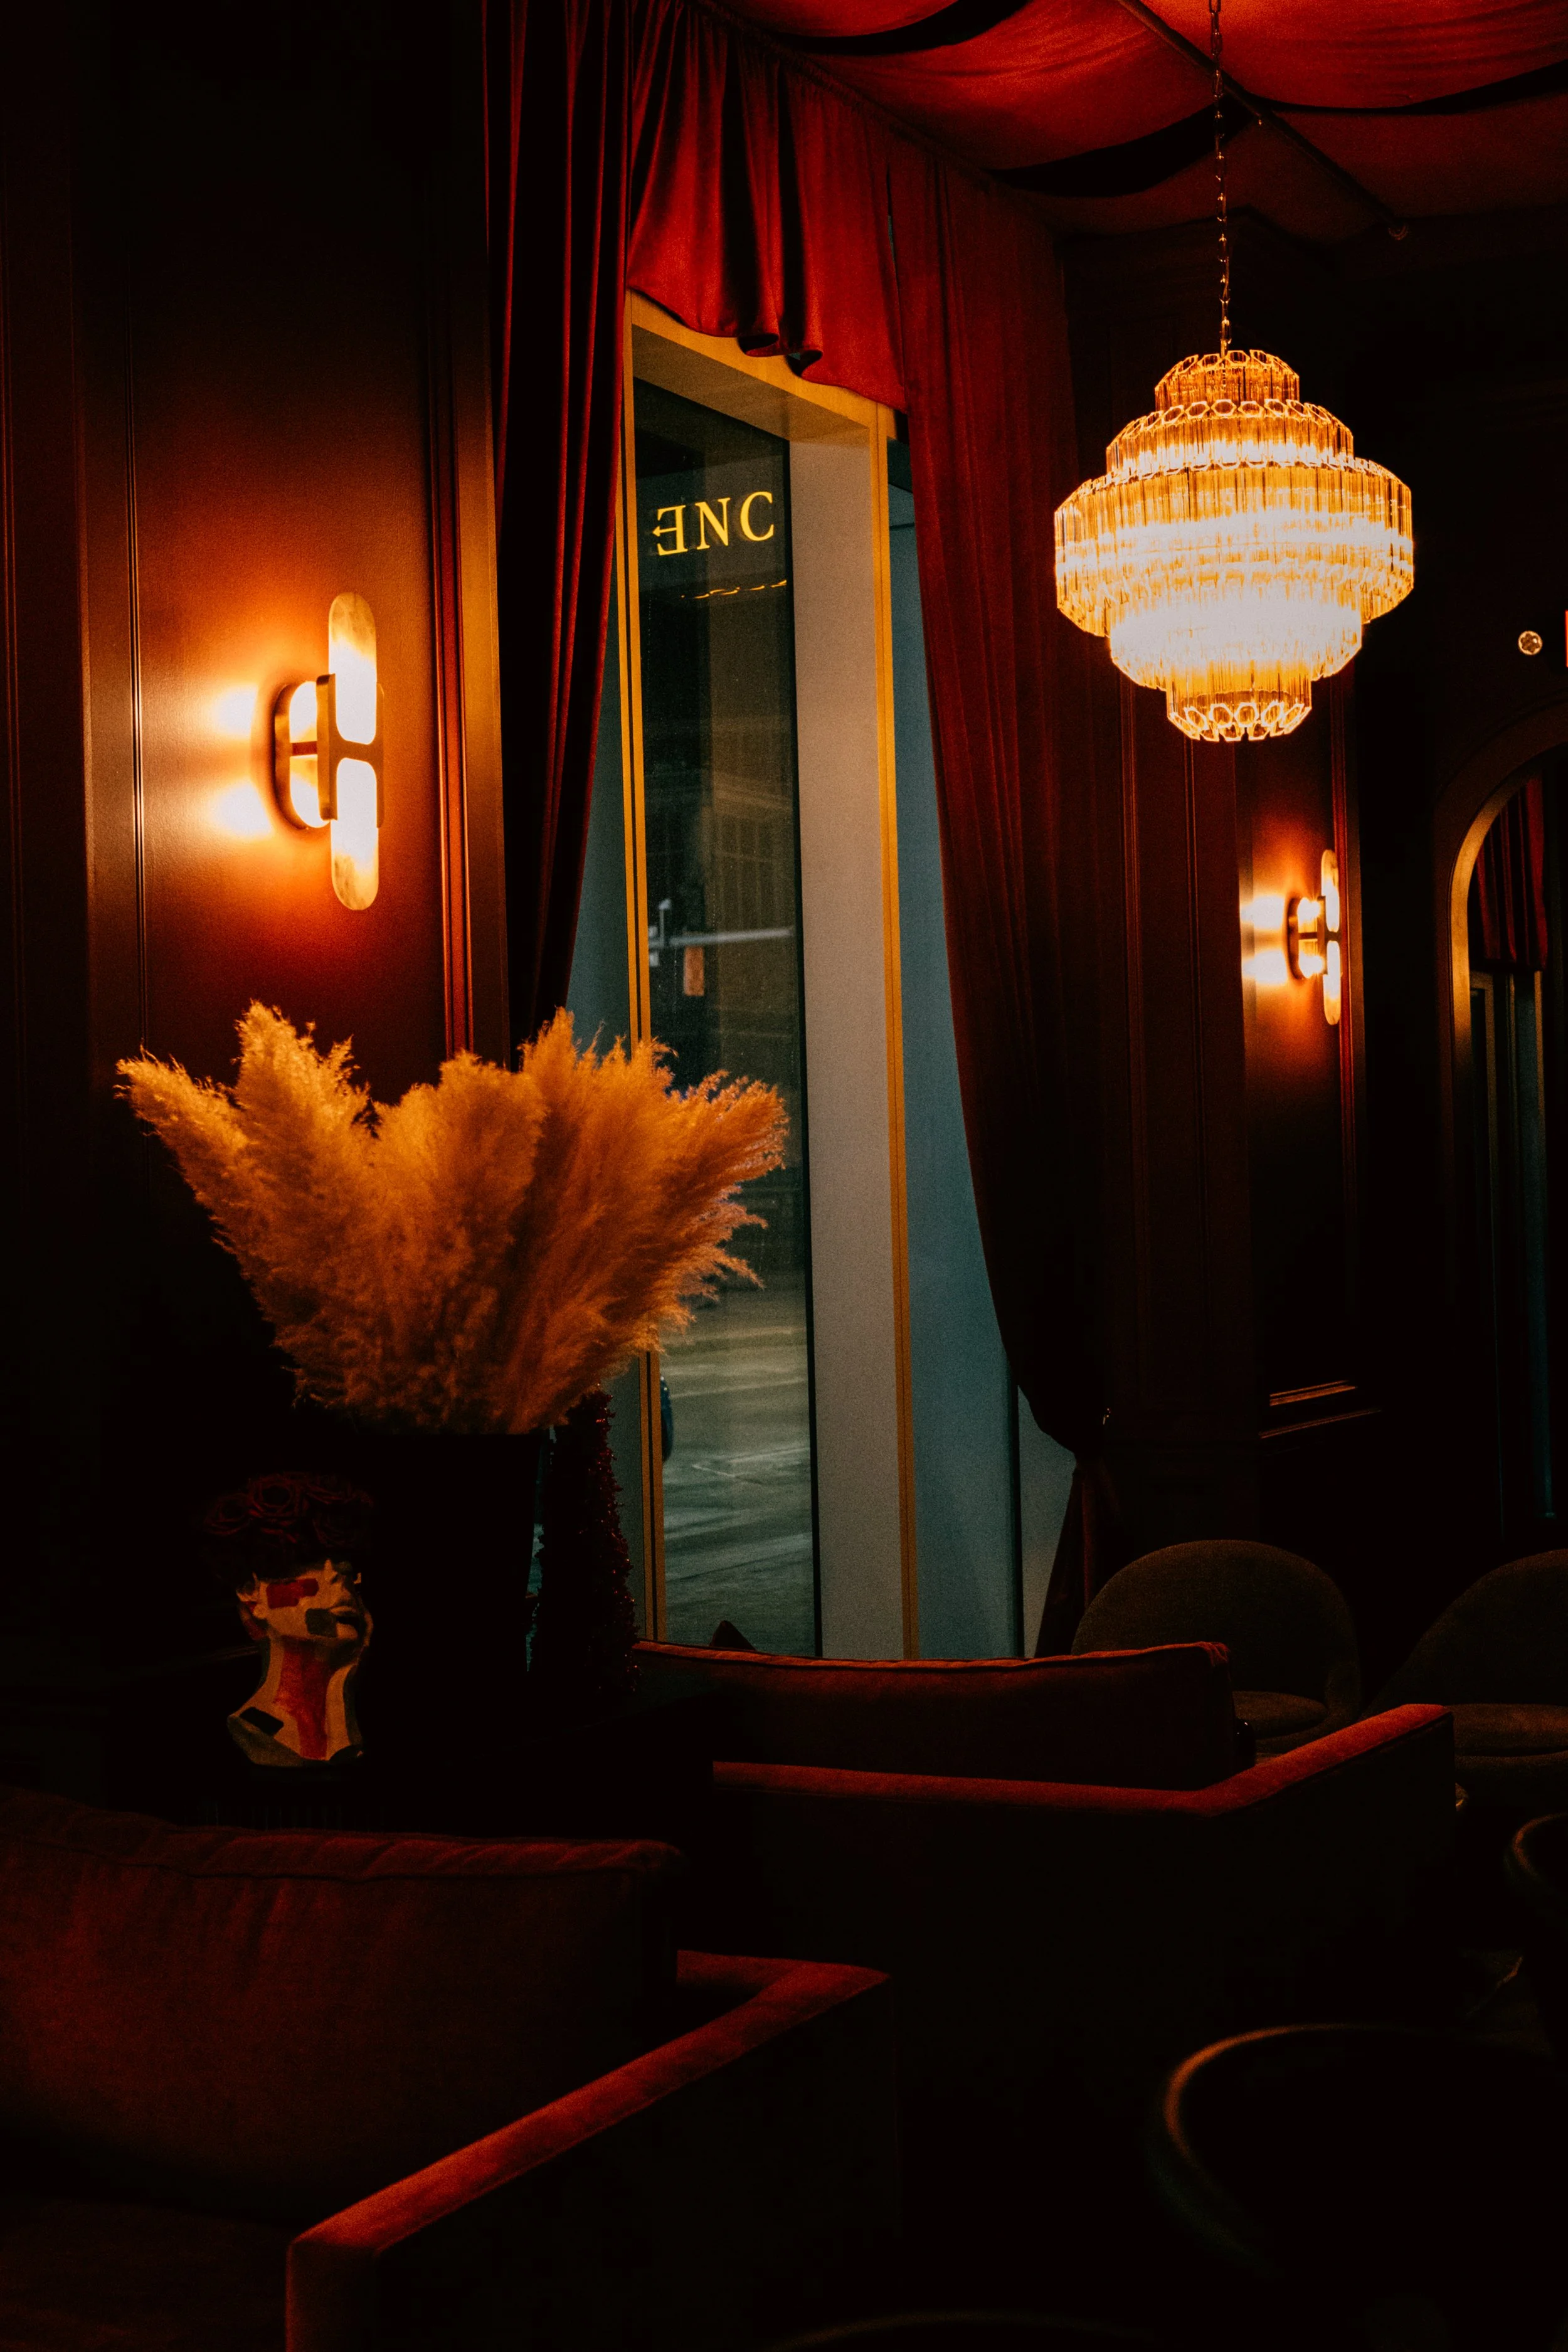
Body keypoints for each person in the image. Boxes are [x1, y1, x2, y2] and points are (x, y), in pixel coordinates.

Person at [201, 1472, 374, 1769]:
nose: (337, 1577)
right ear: (252, 1595)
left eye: (346, 1566)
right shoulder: (258, 1728)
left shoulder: (345, 1733)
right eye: (306, 1563)